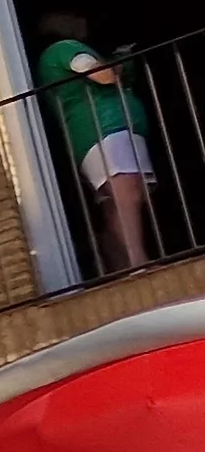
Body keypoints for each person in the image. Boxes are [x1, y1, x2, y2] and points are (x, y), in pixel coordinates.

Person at [33, 15, 155, 274]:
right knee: (127, 193)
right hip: (105, 129)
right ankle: (138, 262)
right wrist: (120, 63)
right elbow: (103, 75)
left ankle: (121, 264)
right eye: (70, 17)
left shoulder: (57, 53)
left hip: (102, 132)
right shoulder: (64, 48)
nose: (81, 21)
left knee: (116, 201)